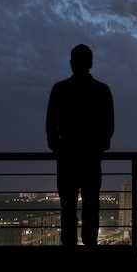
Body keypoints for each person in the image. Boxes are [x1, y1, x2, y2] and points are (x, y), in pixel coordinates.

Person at [46, 44, 114, 246]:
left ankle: (70, 248)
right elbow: (108, 126)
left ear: (71, 63)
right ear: (91, 63)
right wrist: (98, 147)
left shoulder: (60, 89)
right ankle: (89, 247)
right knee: (91, 207)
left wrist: (58, 148)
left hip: (67, 158)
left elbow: (51, 124)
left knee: (68, 209)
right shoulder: (102, 90)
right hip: (91, 159)